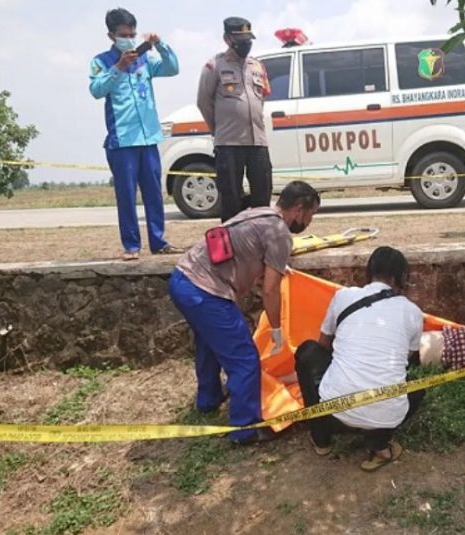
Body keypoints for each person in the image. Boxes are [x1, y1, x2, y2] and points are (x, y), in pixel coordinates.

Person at [169, 180, 321, 445]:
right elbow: (271, 291)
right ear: (299, 209)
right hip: (206, 291)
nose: (309, 222)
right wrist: (276, 330)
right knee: (245, 359)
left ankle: (209, 399)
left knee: (209, 344)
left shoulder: (257, 212)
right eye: (310, 215)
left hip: (182, 278)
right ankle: (245, 428)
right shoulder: (279, 233)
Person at [294, 246, 424, 471]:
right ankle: (380, 445)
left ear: (370, 271)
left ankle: (321, 438)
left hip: (336, 409)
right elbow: (407, 357)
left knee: (307, 351)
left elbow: (322, 346)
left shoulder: (344, 296)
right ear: (399, 277)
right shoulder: (413, 312)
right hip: (387, 416)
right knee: (418, 388)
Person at [89, 7, 182, 261]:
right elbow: (96, 90)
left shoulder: (145, 60)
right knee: (127, 196)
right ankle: (131, 245)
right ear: (111, 36)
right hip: (122, 142)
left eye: (132, 33)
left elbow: (173, 68)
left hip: (149, 138)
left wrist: (159, 44)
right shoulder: (101, 62)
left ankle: (158, 241)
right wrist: (118, 67)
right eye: (123, 34)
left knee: (153, 193)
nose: (129, 38)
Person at [198, 17, 273, 222]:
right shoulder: (214, 66)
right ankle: (232, 244)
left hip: (257, 142)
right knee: (231, 196)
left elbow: (262, 100)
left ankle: (261, 239)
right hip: (229, 143)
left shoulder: (257, 66)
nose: (245, 44)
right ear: (227, 39)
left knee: (262, 193)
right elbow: (204, 102)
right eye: (240, 39)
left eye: (248, 39)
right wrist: (218, 129)